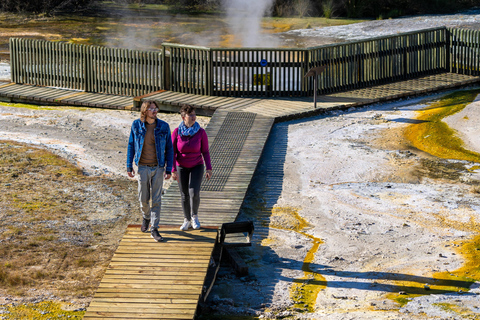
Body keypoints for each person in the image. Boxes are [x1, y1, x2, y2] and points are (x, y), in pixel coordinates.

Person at [127, 100, 173, 242]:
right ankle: (146, 217)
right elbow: (131, 145)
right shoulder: (136, 125)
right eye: (151, 109)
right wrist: (129, 165)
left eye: (156, 108)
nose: (155, 111)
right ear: (145, 111)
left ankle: (154, 227)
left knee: (157, 199)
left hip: (158, 167)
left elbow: (169, 149)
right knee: (143, 199)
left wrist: (169, 168)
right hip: (142, 168)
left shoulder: (164, 127)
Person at [172, 104, 212, 231]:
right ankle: (186, 219)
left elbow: (205, 151)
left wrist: (209, 168)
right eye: (191, 115)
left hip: (197, 165)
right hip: (181, 166)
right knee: (184, 194)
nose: (194, 117)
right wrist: (172, 170)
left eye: (194, 114)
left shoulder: (201, 132)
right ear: (184, 117)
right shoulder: (176, 132)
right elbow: (172, 152)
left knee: (193, 192)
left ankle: (194, 216)